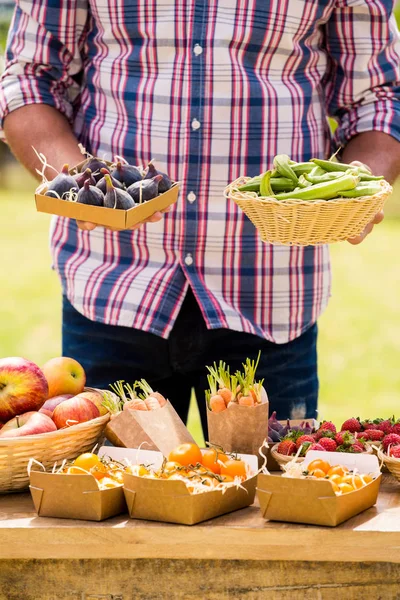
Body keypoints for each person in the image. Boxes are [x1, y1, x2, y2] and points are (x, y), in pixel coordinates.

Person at [1, 1, 399, 436]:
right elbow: (30, 77)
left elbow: (377, 96)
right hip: (113, 284)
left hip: (272, 290)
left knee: (276, 497)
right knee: (102, 496)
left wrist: (358, 189)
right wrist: (81, 187)